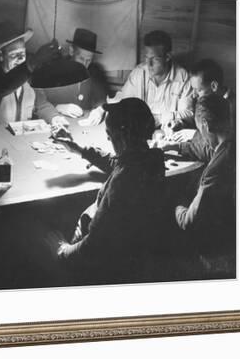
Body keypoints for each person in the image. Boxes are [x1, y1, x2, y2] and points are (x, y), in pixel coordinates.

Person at [51, 98, 167, 283]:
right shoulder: (152, 159)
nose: (107, 138)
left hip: (104, 262)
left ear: (122, 136)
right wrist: (80, 150)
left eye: (109, 134)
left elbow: (94, 245)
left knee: (39, 232)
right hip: (133, 250)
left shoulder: (123, 181)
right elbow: (119, 162)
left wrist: (64, 251)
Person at [174, 94, 236, 278]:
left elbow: (188, 222)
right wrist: (175, 148)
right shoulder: (234, 144)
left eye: (200, 131)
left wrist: (172, 200)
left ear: (206, 126)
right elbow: (210, 149)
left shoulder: (215, 171)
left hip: (217, 246)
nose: (201, 135)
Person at [86, 30, 193, 127]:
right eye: (147, 58)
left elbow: (188, 113)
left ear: (168, 57)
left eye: (155, 59)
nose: (149, 64)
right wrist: (103, 108)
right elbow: (123, 99)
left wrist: (160, 119)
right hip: (140, 130)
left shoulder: (183, 77)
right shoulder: (139, 72)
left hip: (167, 130)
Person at [0, 20, 60, 124]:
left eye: (22, 53)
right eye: (14, 55)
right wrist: (33, 62)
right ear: (0, 55)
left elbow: (41, 105)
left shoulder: (30, 77)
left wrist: (55, 118)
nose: (21, 59)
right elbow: (7, 84)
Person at [160, 58, 236, 163]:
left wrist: (193, 136)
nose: (194, 95)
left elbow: (216, 149)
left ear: (214, 86)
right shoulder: (206, 99)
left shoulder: (234, 109)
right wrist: (180, 123)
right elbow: (201, 119)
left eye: (198, 90)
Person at [34, 28, 108, 126]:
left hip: (84, 125)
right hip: (57, 122)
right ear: (71, 51)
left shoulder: (95, 71)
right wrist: (58, 107)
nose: (85, 65)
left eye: (88, 60)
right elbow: (39, 103)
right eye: (81, 58)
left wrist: (99, 110)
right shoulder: (53, 69)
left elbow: (101, 99)